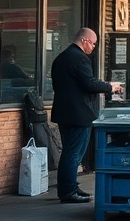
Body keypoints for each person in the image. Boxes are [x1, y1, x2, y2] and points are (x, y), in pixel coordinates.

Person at [51, 28, 121, 204]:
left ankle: (71, 187)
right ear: (85, 41)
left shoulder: (61, 57)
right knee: (74, 153)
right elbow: (89, 83)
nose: (94, 47)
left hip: (64, 112)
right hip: (78, 114)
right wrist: (109, 86)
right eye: (94, 43)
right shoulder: (80, 58)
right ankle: (68, 191)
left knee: (69, 151)